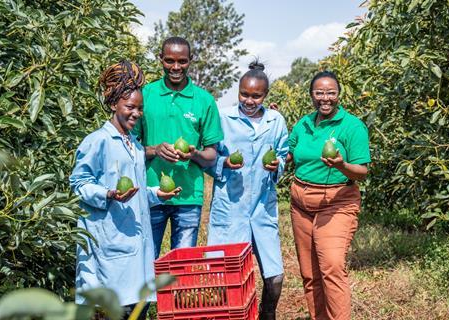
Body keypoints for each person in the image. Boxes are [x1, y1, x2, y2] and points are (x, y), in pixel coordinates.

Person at [69, 61, 180, 319]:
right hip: (110, 249)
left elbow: (135, 192)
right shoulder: (97, 142)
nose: (136, 113)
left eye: (140, 109)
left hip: (134, 254)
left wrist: (155, 194)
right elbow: (78, 184)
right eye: (130, 107)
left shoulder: (135, 145)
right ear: (113, 104)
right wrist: (108, 194)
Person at [206, 61, 289, 320]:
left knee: (274, 276)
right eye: (244, 94)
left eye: (256, 96)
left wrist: (278, 165)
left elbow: (284, 154)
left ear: (265, 96)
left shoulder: (276, 121)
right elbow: (208, 157)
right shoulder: (222, 118)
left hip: (262, 207)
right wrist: (223, 163)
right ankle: (232, 314)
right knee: (226, 274)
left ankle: (267, 314)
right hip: (231, 206)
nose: (249, 100)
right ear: (238, 91)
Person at [287, 71, 371, 320]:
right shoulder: (303, 123)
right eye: (319, 92)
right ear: (311, 95)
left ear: (339, 94)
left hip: (336, 202)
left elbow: (362, 172)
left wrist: (340, 165)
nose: (325, 98)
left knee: (332, 267)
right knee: (309, 272)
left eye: (331, 92)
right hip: (300, 202)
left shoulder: (352, 126)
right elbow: (290, 153)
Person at [132, 36, 224, 258]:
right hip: (151, 192)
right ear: (160, 59)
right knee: (147, 261)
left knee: (183, 267)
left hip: (188, 196)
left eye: (182, 61)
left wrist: (195, 154)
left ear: (191, 60)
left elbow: (212, 155)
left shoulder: (204, 100)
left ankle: (176, 295)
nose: (175, 67)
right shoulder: (145, 95)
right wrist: (154, 150)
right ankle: (153, 295)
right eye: (169, 60)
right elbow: (129, 148)